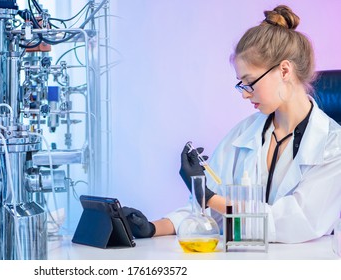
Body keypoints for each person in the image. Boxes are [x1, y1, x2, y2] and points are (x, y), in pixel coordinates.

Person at [123, 5, 341, 243]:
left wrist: (207, 196)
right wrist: (150, 228)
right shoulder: (244, 134)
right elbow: (210, 215)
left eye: (249, 82)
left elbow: (295, 222)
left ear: (284, 70)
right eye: (241, 84)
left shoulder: (333, 144)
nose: (245, 94)